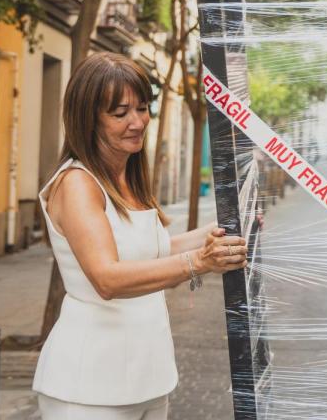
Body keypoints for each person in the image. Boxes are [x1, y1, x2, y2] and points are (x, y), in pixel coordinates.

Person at [33, 52, 248, 420]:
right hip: (90, 387)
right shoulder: (77, 184)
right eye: (120, 113)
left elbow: (159, 249)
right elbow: (107, 278)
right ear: (89, 120)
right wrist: (200, 262)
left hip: (148, 379)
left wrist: (232, 227)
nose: (137, 122)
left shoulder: (125, 178)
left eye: (143, 108)